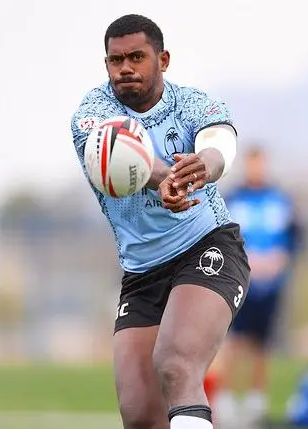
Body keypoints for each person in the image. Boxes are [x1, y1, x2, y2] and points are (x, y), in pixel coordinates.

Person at [70, 14, 250, 429]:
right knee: (139, 413)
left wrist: (202, 167)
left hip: (207, 248)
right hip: (141, 271)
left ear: (163, 60)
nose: (126, 68)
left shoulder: (194, 104)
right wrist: (166, 177)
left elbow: (219, 146)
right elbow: (118, 151)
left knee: (176, 365)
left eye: (137, 57)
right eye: (116, 60)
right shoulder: (92, 112)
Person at [213, 146, 303, 424]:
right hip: (241, 280)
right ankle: (225, 396)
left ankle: (256, 397)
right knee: (233, 341)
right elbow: (220, 234)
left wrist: (282, 259)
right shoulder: (233, 199)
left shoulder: (280, 200)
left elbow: (295, 236)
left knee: (262, 343)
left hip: (272, 283)